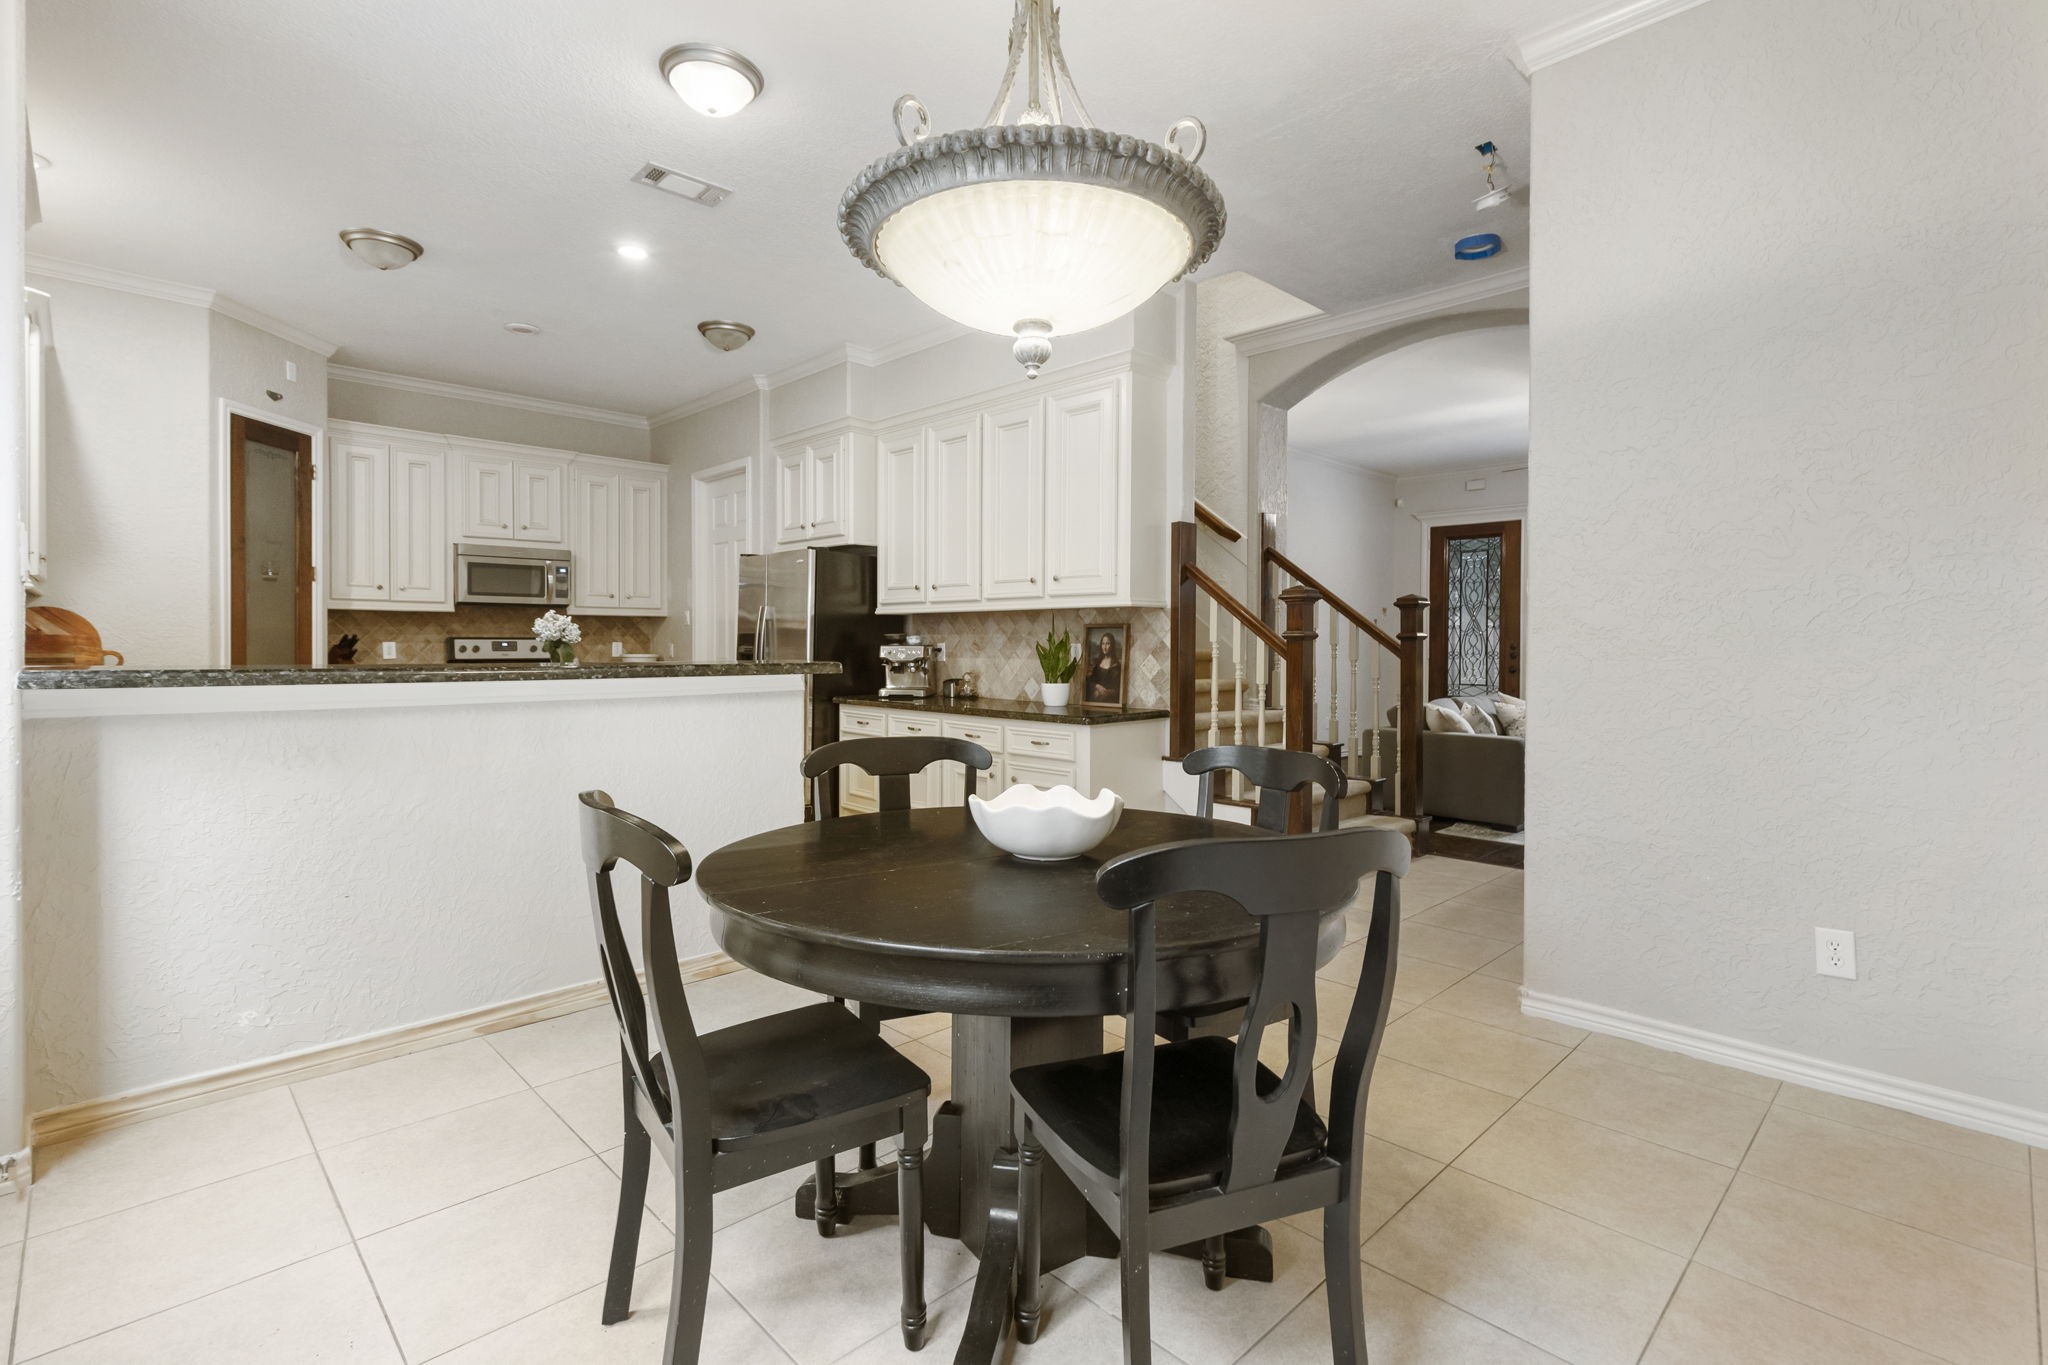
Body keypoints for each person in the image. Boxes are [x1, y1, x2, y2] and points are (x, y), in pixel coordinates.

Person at [1085, 631, 1122, 704]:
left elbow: (1118, 689)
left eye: (1107, 643)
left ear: (1112, 645)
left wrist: (1106, 692)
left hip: (1110, 702)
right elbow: (1089, 680)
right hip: (1094, 700)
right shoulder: (1097, 662)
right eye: (1103, 644)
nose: (1104, 647)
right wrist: (1097, 686)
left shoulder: (1116, 666)